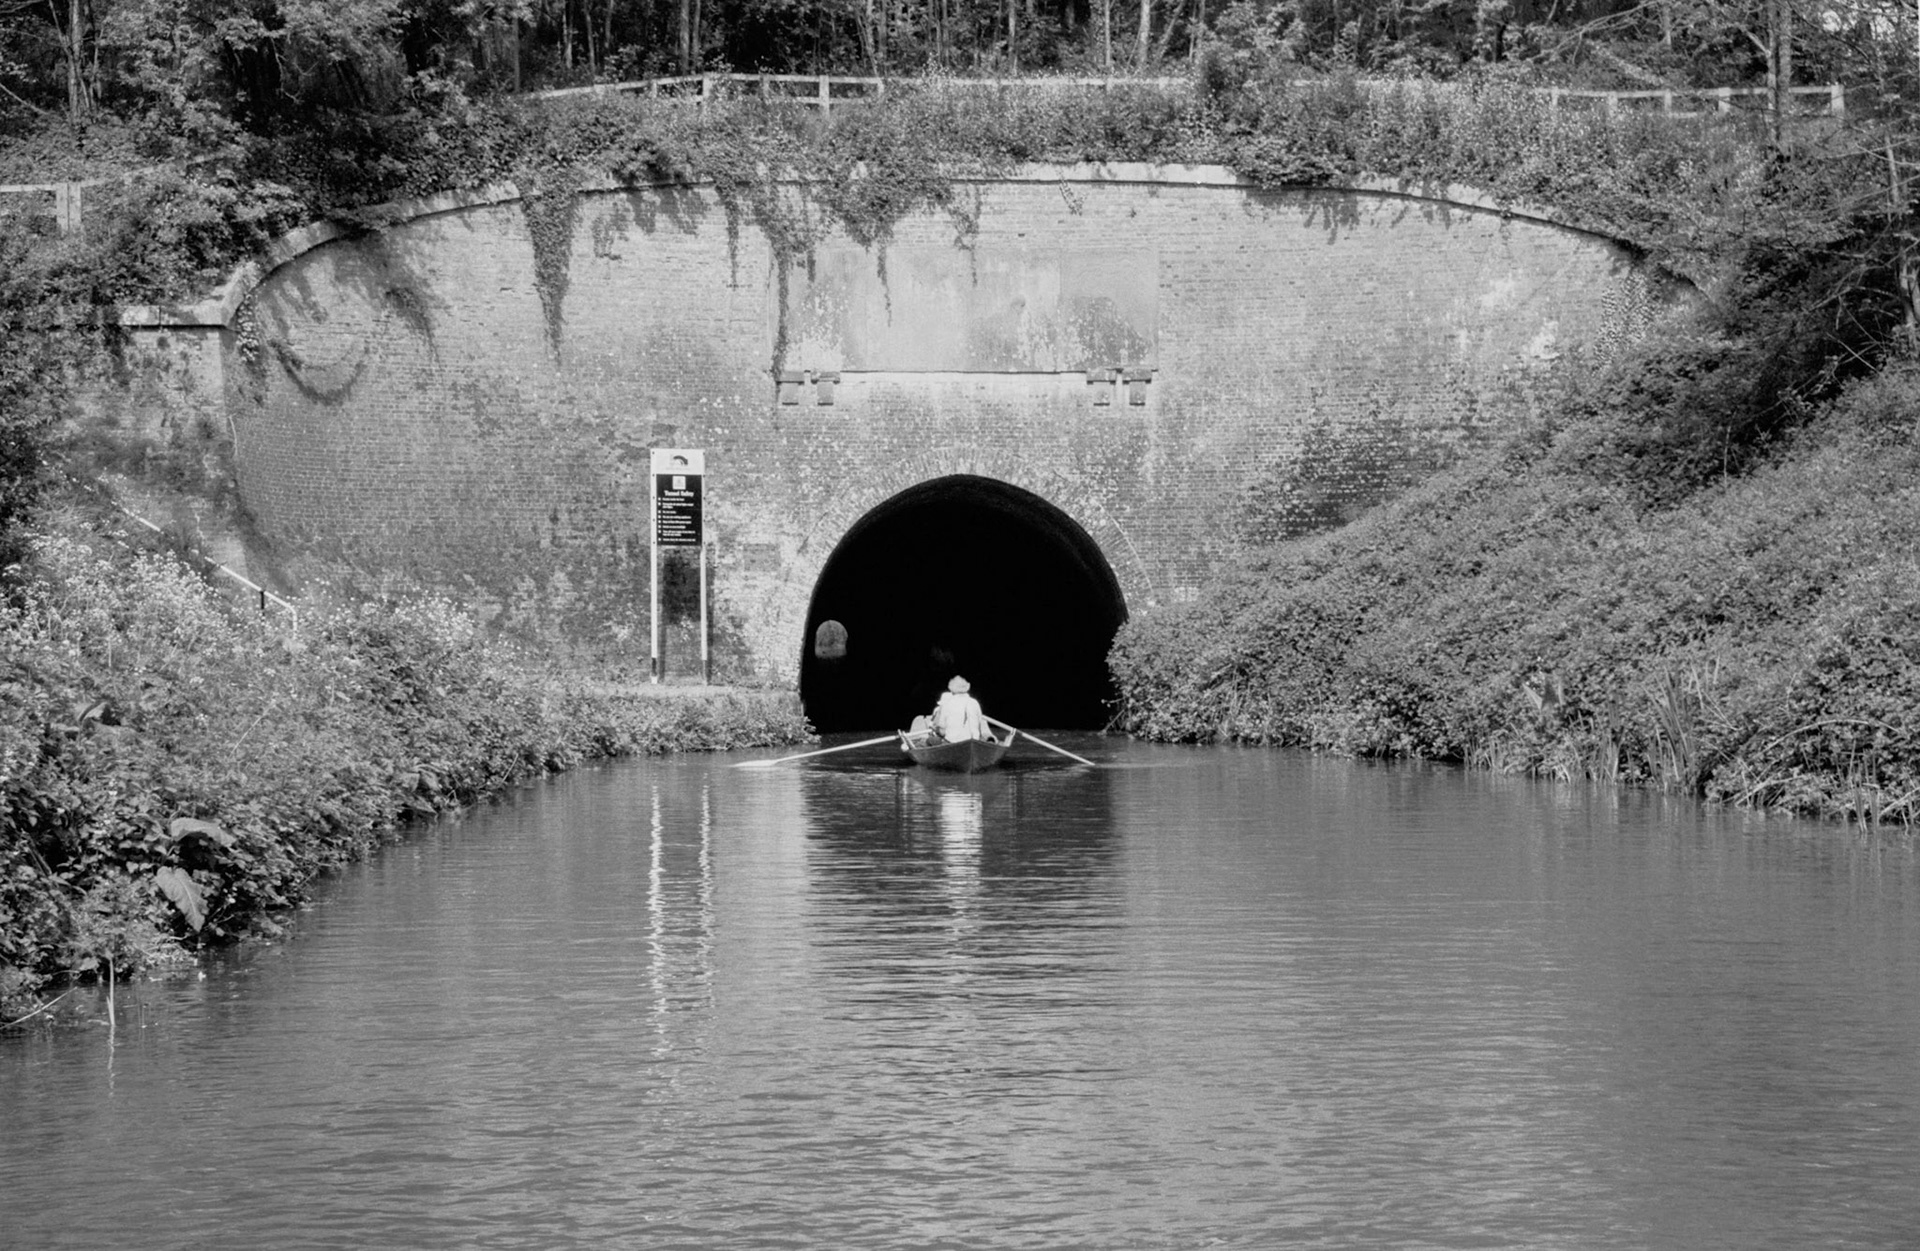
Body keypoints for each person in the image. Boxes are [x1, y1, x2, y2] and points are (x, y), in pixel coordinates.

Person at [929, 676, 988, 742]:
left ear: (951, 689)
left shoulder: (947, 704)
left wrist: (936, 729)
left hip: (952, 742)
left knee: (931, 741)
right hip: (974, 741)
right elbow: (980, 724)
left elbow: (942, 732)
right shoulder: (974, 702)